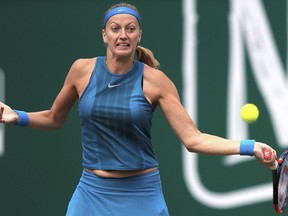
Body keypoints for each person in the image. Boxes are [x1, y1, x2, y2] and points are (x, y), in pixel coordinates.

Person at [0, 3, 277, 216]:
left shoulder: (156, 82)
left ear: (139, 34)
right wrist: (17, 116)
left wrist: (250, 146)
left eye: (130, 28)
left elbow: (194, 139)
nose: (123, 35)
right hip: (91, 192)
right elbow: (53, 118)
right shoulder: (81, 70)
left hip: (141, 194)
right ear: (104, 35)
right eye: (115, 29)